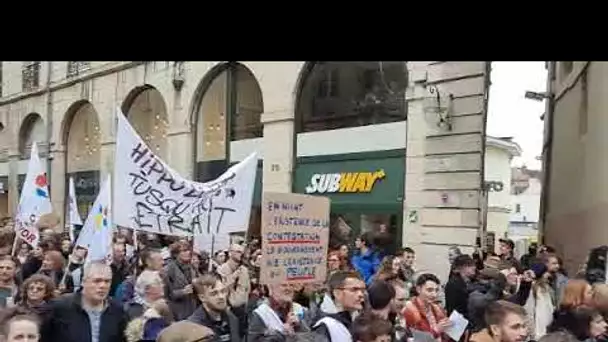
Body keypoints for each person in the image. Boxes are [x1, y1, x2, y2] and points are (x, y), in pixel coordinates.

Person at [40, 261, 128, 342]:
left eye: (107, 281)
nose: (102, 285)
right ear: (83, 281)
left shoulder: (117, 310)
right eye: (97, 281)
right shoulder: (60, 307)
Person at [313, 271, 365, 341]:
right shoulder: (325, 326)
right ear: (337, 293)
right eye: (354, 289)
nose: (360, 294)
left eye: (362, 290)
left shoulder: (362, 322)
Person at [188, 274, 240, 342]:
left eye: (223, 291)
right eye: (214, 293)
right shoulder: (194, 327)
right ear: (202, 298)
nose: (221, 297)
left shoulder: (232, 318)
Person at [403, 273, 451, 342]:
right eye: (429, 290)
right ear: (418, 289)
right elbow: (417, 339)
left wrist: (448, 331)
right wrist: (436, 330)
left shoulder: (437, 309)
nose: (434, 294)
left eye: (436, 290)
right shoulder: (410, 310)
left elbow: (443, 337)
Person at [165, 241, 198, 320]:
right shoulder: (170, 269)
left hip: (192, 310)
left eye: (188, 250)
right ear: (176, 254)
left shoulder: (192, 267)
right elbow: (167, 294)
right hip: (177, 312)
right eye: (184, 251)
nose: (188, 252)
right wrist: (183, 292)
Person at [524, 263, 555, 340]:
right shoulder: (535, 289)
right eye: (546, 272)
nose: (548, 275)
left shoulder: (544, 288)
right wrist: (532, 332)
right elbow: (531, 311)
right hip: (537, 332)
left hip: (543, 331)